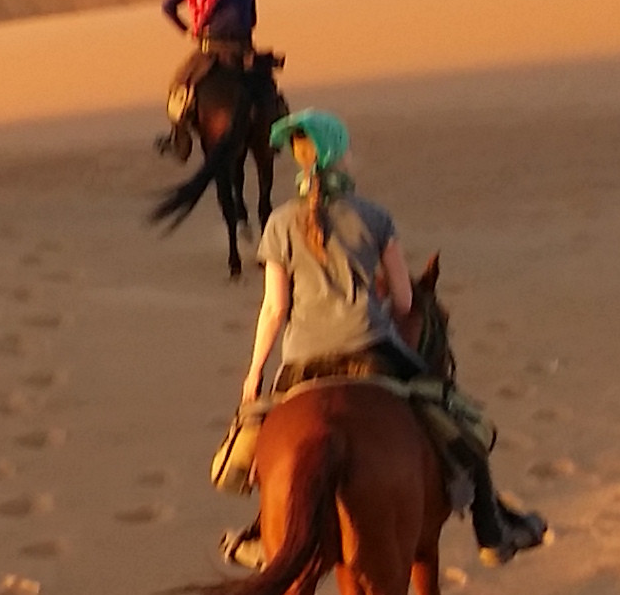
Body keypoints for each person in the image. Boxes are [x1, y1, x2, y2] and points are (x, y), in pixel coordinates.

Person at [222, 108, 545, 570]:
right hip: (372, 347)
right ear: (338, 156)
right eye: (348, 150)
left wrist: (255, 373)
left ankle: (261, 534)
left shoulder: (279, 223)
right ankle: (491, 530)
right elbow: (404, 299)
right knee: (461, 422)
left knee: (270, 443)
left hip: (301, 359)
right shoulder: (374, 216)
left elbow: (273, 309)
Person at [161, 0, 266, 143]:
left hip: (211, 50)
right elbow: (253, 20)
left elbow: (168, 6)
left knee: (179, 87)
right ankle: (275, 134)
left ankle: (178, 139)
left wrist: (187, 29)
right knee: (269, 89)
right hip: (244, 49)